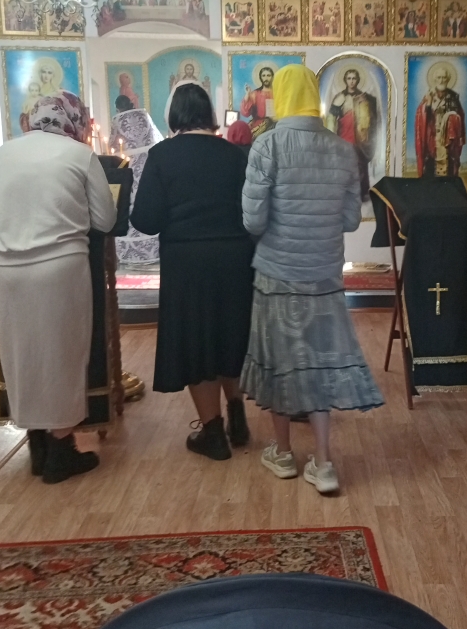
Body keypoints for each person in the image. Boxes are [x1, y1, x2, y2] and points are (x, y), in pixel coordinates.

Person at [241, 64, 384, 494]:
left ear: (281, 96)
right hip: (323, 274)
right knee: (320, 364)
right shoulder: (343, 150)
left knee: (279, 363)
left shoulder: (267, 145)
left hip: (277, 275)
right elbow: (349, 220)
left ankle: (284, 454)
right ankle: (323, 463)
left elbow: (253, 221)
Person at [0, 92, 117, 483]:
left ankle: (36, 444)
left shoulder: (4, 152)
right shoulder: (79, 154)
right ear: (72, 120)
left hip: (5, 270)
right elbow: (105, 219)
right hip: (58, 269)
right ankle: (61, 450)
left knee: (22, 355)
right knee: (62, 353)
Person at [131, 84, 253, 460]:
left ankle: (212, 433)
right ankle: (237, 414)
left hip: (187, 264)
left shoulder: (162, 155)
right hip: (235, 259)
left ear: (174, 116)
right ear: (209, 114)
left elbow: (146, 219)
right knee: (229, 335)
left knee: (197, 342)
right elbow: (252, 210)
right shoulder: (235, 154)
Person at [109, 107, 163, 264]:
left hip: (128, 169)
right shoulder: (144, 118)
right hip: (144, 171)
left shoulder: (118, 122)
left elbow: (112, 146)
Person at [326, 69, 378, 203]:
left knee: (360, 165)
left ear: (358, 80)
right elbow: (331, 118)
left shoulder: (366, 98)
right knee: (345, 165)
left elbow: (373, 120)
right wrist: (331, 136)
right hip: (344, 136)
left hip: (360, 139)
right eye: (349, 78)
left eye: (354, 78)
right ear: (345, 80)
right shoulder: (339, 98)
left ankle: (362, 193)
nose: (351, 81)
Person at [414, 63, 466, 178]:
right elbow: (422, 117)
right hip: (432, 138)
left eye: (444, 77)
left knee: (449, 168)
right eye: (439, 77)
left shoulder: (454, 97)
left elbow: (460, 116)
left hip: (448, 139)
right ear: (434, 79)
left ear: (448, 79)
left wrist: (451, 119)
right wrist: (428, 105)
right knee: (430, 167)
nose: (441, 80)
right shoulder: (429, 95)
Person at [240, 66, 276, 138]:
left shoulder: (277, 93)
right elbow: (245, 112)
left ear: (272, 77)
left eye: (268, 75)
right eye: (263, 76)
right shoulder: (255, 94)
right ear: (260, 77)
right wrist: (248, 94)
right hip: (259, 126)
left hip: (275, 125)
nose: (266, 78)